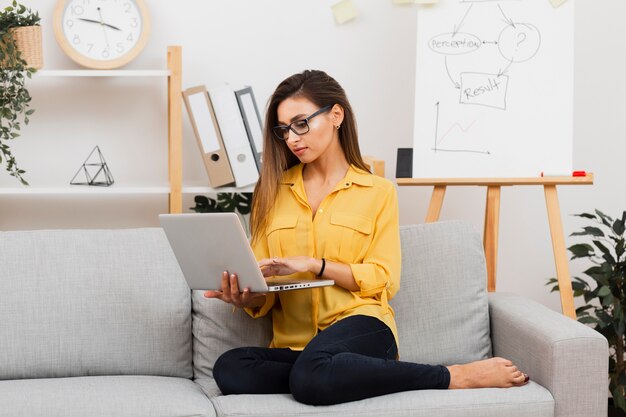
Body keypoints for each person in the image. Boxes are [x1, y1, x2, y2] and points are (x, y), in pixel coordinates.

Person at [204, 69, 529, 405]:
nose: (292, 138)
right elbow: (265, 282)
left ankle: (452, 376)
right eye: (284, 130)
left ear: (335, 115)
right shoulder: (272, 191)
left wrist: (317, 265)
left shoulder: (378, 191)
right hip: (298, 345)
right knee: (231, 368)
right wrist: (246, 297)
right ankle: (337, 373)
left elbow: (384, 279)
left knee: (310, 375)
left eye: (301, 123)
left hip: (362, 325)